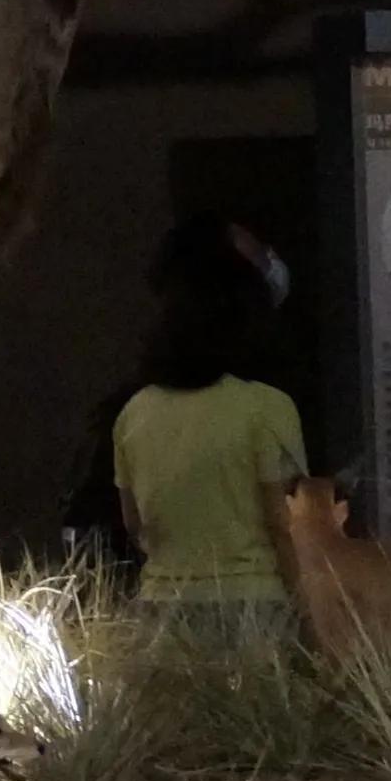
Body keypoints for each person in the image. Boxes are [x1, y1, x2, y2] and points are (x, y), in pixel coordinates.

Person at [109, 218, 303, 626]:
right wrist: (308, 619)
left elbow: (134, 524)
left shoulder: (133, 413)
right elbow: (285, 528)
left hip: (160, 612)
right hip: (252, 613)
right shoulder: (268, 407)